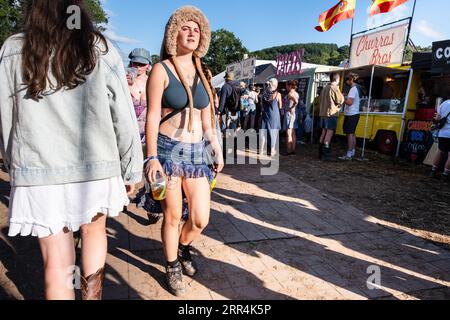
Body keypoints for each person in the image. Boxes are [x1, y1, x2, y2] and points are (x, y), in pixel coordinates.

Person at [0, 0, 143, 300]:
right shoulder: (97, 47)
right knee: (93, 236)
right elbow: (123, 113)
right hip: (96, 165)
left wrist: (15, 166)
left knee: (56, 263)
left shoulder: (14, 48)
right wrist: (132, 165)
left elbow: (5, 118)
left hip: (39, 169)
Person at [145, 6, 224, 297]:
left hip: (196, 154)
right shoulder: (160, 70)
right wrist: (151, 157)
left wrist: (215, 146)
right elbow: (152, 116)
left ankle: (182, 247)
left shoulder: (204, 72)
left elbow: (206, 120)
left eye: (196, 29)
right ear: (173, 33)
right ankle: (171, 265)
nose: (192, 32)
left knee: (201, 218)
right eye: (185, 28)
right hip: (168, 151)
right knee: (173, 214)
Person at [319, 72, 345, 161]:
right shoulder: (334, 88)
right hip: (331, 113)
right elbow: (340, 100)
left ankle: (320, 153)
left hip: (323, 113)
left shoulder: (325, 88)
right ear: (337, 79)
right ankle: (325, 155)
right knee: (329, 133)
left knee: (323, 132)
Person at [127, 48, 152, 140]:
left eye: (142, 64)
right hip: (128, 134)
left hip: (148, 135)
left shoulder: (154, 82)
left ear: (148, 66)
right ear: (131, 64)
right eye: (135, 63)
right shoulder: (123, 81)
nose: (138, 67)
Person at [339, 73, 362, 161]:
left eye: (347, 80)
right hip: (354, 114)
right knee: (352, 134)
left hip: (351, 114)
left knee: (349, 134)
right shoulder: (356, 89)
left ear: (351, 80)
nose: (346, 82)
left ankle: (348, 154)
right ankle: (352, 152)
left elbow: (349, 102)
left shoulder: (353, 89)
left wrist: (342, 97)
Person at [260, 78, 282, 157]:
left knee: (263, 133)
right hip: (274, 115)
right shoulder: (278, 94)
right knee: (273, 133)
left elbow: (261, 105)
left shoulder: (264, 93)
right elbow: (280, 106)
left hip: (265, 115)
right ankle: (272, 150)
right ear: (275, 85)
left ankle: (261, 150)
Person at [430, 99, 450, 182]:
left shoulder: (444, 103)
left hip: (442, 133)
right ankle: (445, 175)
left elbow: (437, 117)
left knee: (439, 150)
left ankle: (433, 171)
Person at [283, 80, 299, 155]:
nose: (286, 87)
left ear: (289, 86)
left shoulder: (290, 93)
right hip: (294, 114)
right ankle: (293, 149)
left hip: (289, 114)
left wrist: (292, 107)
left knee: (288, 132)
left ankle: (289, 150)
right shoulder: (296, 93)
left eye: (286, 85)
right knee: (293, 132)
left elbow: (296, 101)